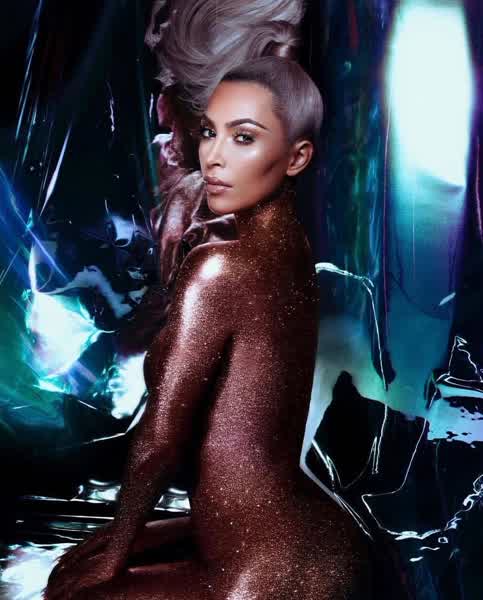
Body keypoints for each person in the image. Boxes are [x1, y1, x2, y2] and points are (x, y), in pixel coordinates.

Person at [44, 57, 371, 599]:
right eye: (207, 132)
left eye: (243, 138)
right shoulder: (295, 250)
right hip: (317, 540)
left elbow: (160, 441)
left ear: (297, 157)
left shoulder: (219, 268)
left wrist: (114, 565)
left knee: (72, 587)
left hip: (260, 567)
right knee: (87, 554)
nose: (213, 157)